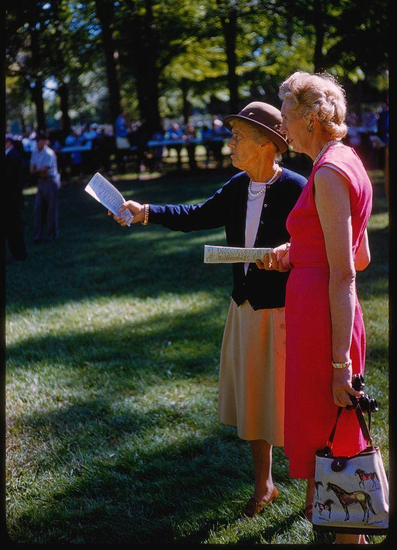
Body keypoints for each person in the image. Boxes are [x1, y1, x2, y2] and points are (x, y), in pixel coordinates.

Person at [109, 101, 307, 519]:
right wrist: (147, 212)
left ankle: (313, 492)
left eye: (237, 136)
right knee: (255, 398)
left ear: (266, 145)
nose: (229, 143)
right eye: (231, 133)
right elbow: (197, 214)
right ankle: (264, 485)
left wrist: (289, 256)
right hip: (246, 308)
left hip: (288, 312)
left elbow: (319, 247)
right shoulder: (237, 186)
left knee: (294, 403)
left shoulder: (298, 188)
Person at [257, 72, 372, 545]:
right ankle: (346, 535)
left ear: (309, 118)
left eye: (285, 115)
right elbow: (360, 254)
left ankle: (353, 539)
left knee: (338, 434)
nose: (282, 125)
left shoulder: (327, 172)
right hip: (319, 315)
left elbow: (346, 272)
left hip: (326, 325)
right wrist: (298, 250)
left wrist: (340, 363)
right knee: (330, 434)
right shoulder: (344, 160)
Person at [30, 132, 60, 243]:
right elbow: (31, 170)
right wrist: (37, 171)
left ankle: (52, 235)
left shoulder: (49, 153)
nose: (38, 142)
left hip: (50, 181)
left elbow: (43, 172)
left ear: (44, 141)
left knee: (51, 209)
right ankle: (38, 235)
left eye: (40, 140)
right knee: (37, 209)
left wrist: (35, 171)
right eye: (37, 140)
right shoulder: (34, 152)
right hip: (41, 182)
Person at [5, 135, 27, 263]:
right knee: (12, 227)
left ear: (8, 143)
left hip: (11, 198)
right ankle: (17, 253)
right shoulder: (12, 155)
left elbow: (9, 178)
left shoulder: (12, 156)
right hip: (11, 198)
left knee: (14, 227)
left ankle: (19, 254)